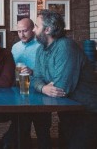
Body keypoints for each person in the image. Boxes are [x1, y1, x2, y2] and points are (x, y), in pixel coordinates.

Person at [33, 9, 97, 149]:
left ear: (47, 29)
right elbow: (35, 78)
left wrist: (44, 85)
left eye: (36, 26)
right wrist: (43, 87)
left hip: (86, 112)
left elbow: (61, 88)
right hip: (67, 111)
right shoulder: (40, 50)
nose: (33, 29)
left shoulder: (66, 46)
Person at [3, 18, 52, 149]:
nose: (21, 34)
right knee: (21, 132)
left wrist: (33, 71)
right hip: (20, 93)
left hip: (40, 93)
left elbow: (50, 70)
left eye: (25, 31)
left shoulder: (43, 45)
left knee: (42, 131)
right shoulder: (15, 47)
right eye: (19, 31)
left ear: (33, 29)